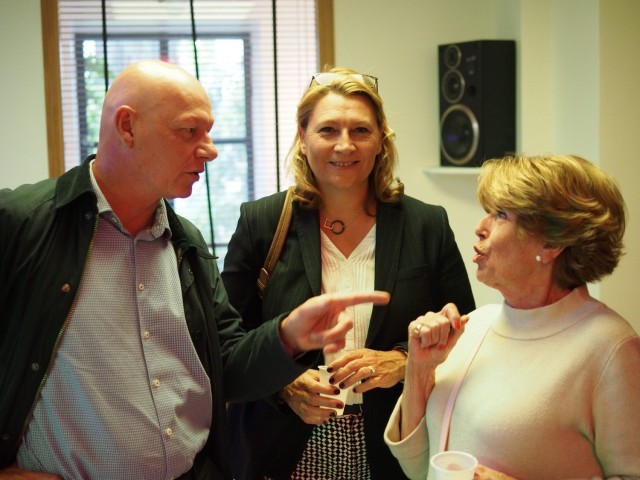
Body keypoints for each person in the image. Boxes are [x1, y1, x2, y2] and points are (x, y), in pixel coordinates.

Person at [0, 60, 392, 480]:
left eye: (208, 132)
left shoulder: (185, 242)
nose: (210, 149)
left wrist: (286, 337)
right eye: (189, 131)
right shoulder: (21, 225)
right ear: (127, 127)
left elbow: (228, 366)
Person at [221, 67, 475, 480]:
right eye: (328, 130)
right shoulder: (262, 222)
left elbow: (464, 331)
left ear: (381, 140)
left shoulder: (426, 225)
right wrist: (283, 383)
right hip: (285, 445)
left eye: (360, 130)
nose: (345, 144)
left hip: (394, 441)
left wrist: (402, 361)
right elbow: (228, 345)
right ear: (303, 137)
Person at [384, 154, 640, 479]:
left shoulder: (611, 348)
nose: (480, 228)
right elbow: (419, 467)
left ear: (551, 243)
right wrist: (419, 371)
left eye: (501, 214)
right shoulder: (475, 325)